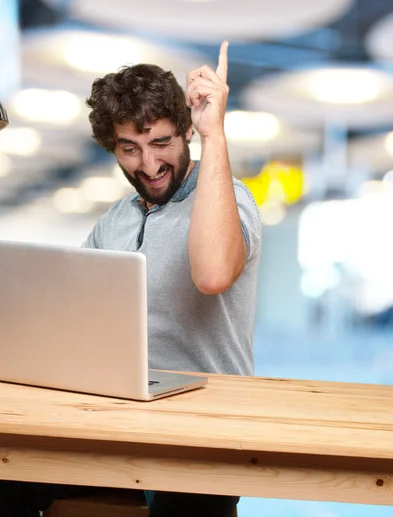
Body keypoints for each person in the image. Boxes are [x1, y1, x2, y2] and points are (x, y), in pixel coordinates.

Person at [0, 41, 261, 517]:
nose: (149, 164)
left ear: (185, 133)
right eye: (130, 149)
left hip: (208, 428)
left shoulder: (229, 196)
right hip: (118, 419)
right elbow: (67, 314)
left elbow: (213, 273)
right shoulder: (116, 219)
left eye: (162, 142)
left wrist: (215, 135)